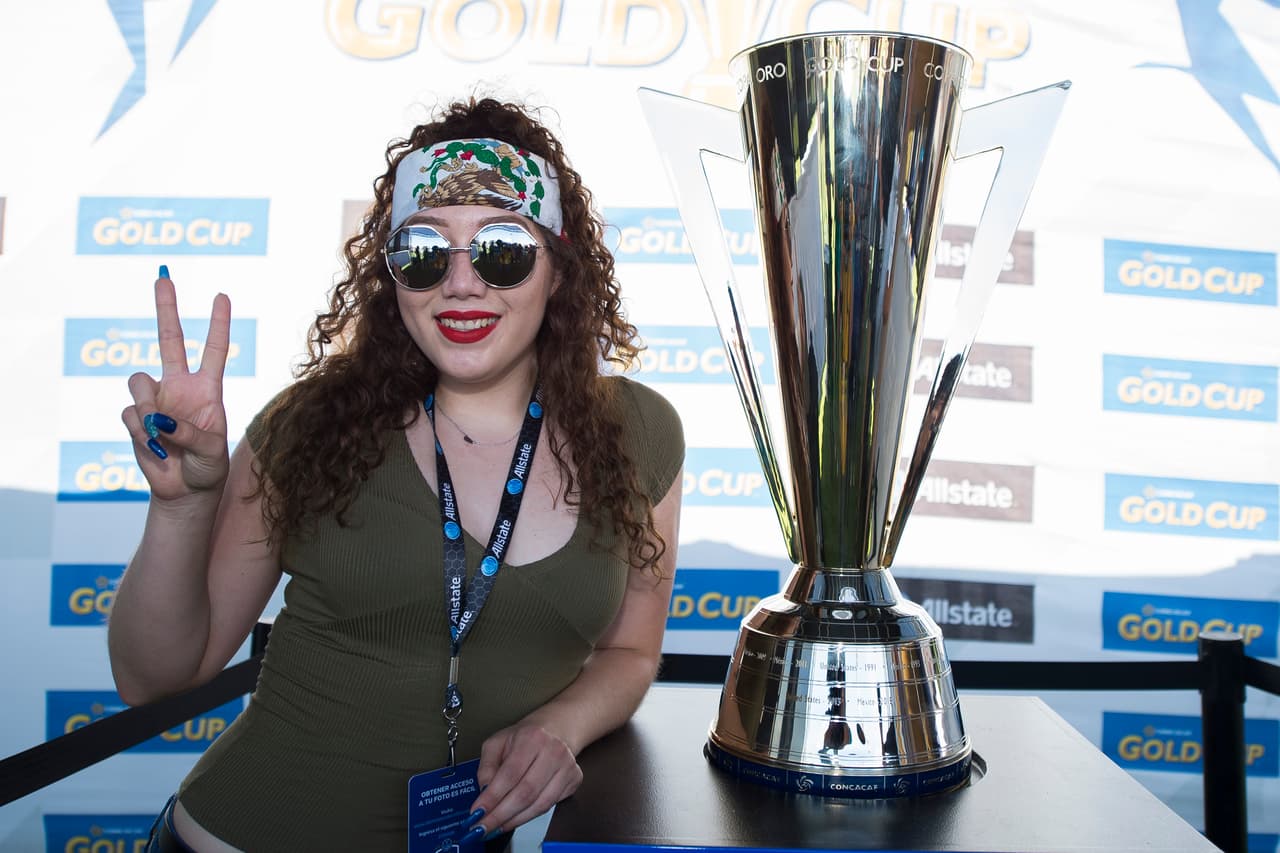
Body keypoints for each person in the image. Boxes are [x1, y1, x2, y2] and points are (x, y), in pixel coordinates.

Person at [107, 96, 685, 852]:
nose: (461, 282)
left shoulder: (640, 435)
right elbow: (155, 677)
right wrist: (184, 509)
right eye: (423, 251)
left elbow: (631, 652)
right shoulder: (313, 425)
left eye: (501, 249)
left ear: (558, 266)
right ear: (393, 277)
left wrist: (560, 726)